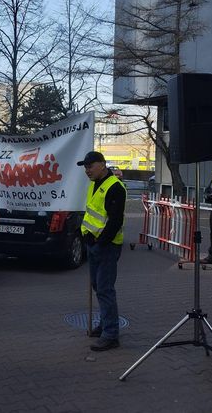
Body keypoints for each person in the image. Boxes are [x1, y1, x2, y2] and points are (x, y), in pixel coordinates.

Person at [77, 151, 126, 352]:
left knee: (105, 289)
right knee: (99, 287)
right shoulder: (94, 184)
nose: (87, 170)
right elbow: (92, 213)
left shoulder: (115, 187)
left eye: (90, 166)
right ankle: (106, 324)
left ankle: (111, 334)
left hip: (107, 246)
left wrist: (100, 242)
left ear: (102, 165)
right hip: (94, 244)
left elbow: (115, 221)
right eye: (85, 167)